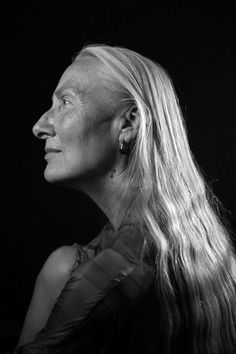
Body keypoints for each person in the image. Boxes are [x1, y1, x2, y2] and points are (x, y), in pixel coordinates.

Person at [12, 44, 236, 354]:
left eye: (66, 101)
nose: (40, 126)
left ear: (129, 124)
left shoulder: (108, 270)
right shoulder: (207, 248)